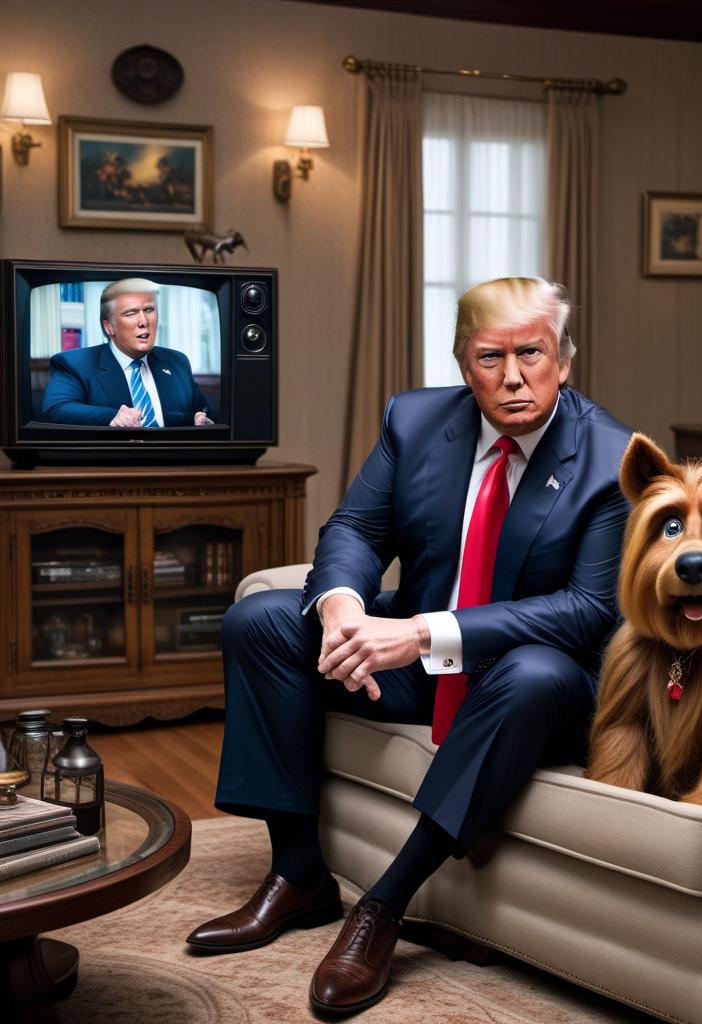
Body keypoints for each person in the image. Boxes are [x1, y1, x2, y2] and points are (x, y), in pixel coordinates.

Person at [186, 276, 633, 1016]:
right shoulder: (417, 420)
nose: (514, 376)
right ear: (463, 363)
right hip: (423, 663)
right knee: (260, 622)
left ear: (565, 359)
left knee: (530, 673)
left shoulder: (610, 456)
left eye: (534, 353)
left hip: (543, 682)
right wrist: (341, 611)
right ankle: (299, 874)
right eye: (492, 357)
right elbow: (356, 529)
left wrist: (424, 633)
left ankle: (383, 909)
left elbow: (586, 611)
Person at [39, 277, 214, 427]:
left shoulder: (177, 361)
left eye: (149, 310)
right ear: (109, 327)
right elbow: (55, 410)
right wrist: (113, 416)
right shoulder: (75, 363)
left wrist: (197, 419)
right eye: (131, 313)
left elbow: (201, 412)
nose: (144, 321)